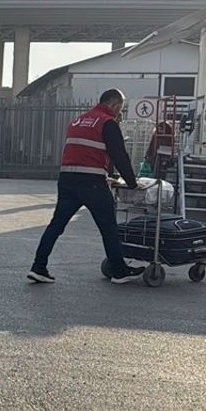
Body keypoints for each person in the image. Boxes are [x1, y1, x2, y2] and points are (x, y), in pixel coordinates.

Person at [28, 88, 146, 285]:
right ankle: (119, 271)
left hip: (67, 180)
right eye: (120, 109)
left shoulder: (78, 120)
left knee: (56, 225)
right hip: (92, 183)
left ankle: (38, 267)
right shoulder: (108, 122)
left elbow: (86, 150)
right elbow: (119, 155)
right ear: (115, 105)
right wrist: (132, 183)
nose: (119, 113)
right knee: (108, 227)